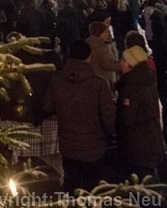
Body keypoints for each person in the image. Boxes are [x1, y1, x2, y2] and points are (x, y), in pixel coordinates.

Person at [43, 40, 116, 194]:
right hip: (95, 146)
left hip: (68, 145)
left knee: (71, 184)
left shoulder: (57, 80)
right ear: (88, 57)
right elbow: (108, 117)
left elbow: (47, 107)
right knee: (93, 188)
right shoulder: (99, 84)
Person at [117, 44, 166, 180]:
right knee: (151, 175)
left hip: (137, 142)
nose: (121, 63)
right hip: (152, 136)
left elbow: (127, 119)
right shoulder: (148, 79)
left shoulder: (131, 87)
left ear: (132, 64)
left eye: (124, 61)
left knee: (142, 180)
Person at [86, 21, 120, 86]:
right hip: (102, 78)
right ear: (99, 33)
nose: (108, 34)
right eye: (106, 32)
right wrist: (124, 64)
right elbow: (108, 63)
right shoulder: (99, 47)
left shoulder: (91, 43)